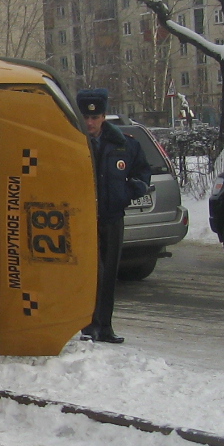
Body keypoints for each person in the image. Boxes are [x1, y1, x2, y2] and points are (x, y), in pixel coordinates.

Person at [77, 89, 151, 344]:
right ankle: (87, 326)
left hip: (111, 218)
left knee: (108, 276)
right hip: (81, 220)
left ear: (103, 116)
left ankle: (105, 326)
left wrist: (128, 193)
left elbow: (142, 171)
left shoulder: (124, 144)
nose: (89, 123)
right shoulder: (71, 142)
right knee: (87, 275)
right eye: (85, 117)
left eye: (95, 117)